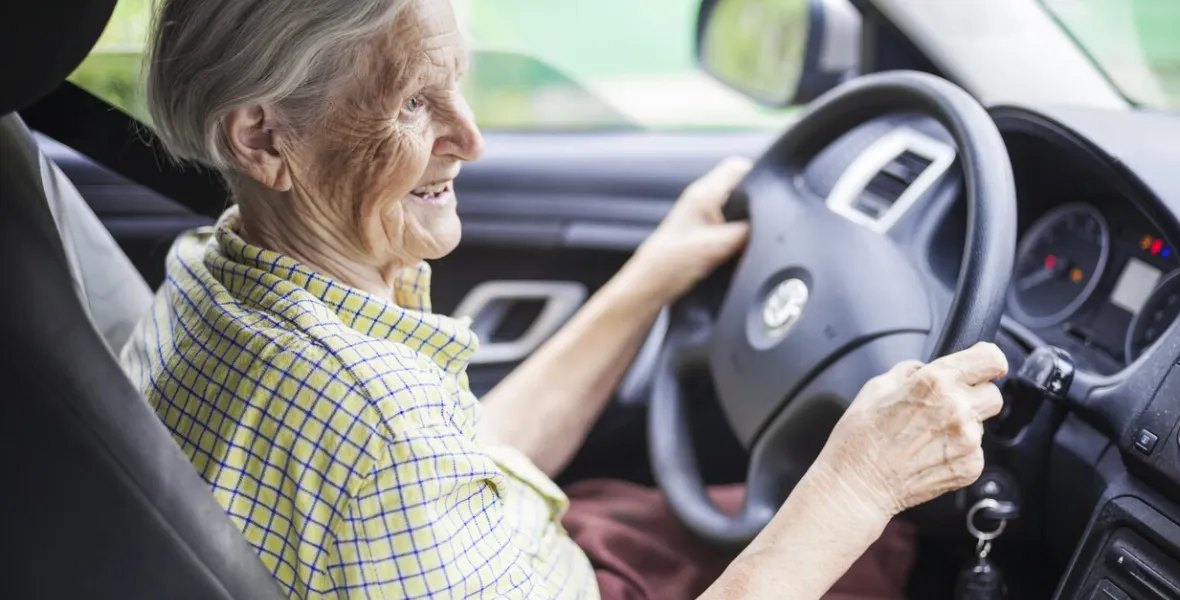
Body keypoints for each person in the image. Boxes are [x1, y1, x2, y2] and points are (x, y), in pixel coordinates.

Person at [120, 0, 1007, 598]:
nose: (471, 136)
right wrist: (860, 479)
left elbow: (450, 467)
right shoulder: (369, 421)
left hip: (536, 551)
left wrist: (651, 279)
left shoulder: (214, 269)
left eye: (456, 83)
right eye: (415, 103)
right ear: (264, 136)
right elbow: (392, 458)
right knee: (886, 547)